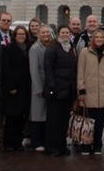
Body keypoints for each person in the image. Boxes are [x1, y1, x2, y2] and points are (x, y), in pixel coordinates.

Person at [77, 30, 104, 155]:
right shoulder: (85, 52)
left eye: (101, 37)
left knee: (99, 123)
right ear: (92, 39)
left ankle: (98, 145)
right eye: (96, 37)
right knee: (87, 122)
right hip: (88, 92)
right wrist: (81, 88)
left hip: (102, 92)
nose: (99, 39)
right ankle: (86, 145)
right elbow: (80, 72)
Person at [44, 25, 78, 157]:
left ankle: (62, 145)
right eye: (63, 32)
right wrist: (53, 88)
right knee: (54, 121)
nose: (65, 34)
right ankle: (52, 147)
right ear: (58, 34)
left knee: (64, 121)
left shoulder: (71, 48)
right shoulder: (52, 49)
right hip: (56, 91)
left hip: (68, 91)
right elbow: (48, 69)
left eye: (67, 32)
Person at [0, 25, 30, 152]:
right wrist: (11, 86)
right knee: (11, 116)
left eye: (23, 34)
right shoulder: (9, 49)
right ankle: (8, 143)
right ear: (15, 36)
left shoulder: (28, 49)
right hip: (12, 88)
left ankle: (18, 142)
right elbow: (6, 68)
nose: (21, 36)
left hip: (24, 87)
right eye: (19, 34)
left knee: (21, 116)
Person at [28, 25, 52, 152]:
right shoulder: (35, 48)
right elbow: (34, 70)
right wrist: (38, 88)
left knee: (45, 114)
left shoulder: (48, 46)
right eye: (42, 32)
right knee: (37, 114)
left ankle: (43, 140)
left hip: (48, 84)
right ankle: (36, 142)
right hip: (39, 85)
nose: (45, 34)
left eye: (47, 32)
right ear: (38, 34)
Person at [0, 11, 13, 147]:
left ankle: (7, 134)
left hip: (10, 78)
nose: (6, 22)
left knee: (8, 108)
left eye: (8, 20)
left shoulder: (13, 35)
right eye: (3, 20)